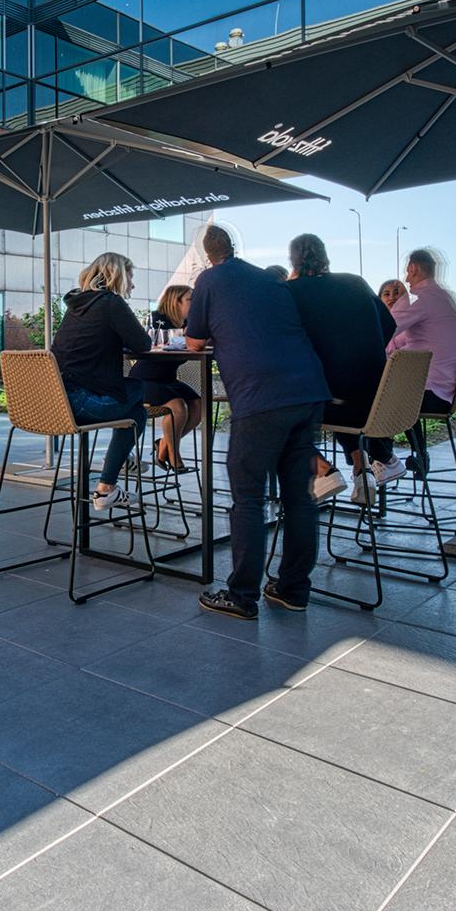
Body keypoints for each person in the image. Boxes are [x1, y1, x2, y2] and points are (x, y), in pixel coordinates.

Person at [184, 223, 331, 618]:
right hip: (308, 389)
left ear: (206, 254)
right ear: (234, 245)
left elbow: (194, 342)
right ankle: (293, 590)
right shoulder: (270, 279)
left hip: (261, 395)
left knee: (248, 495)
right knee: (299, 495)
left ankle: (242, 595)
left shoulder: (209, 280)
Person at [283, 234, 396, 507]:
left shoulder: (292, 291)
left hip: (335, 402)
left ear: (293, 261)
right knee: (338, 391)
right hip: (376, 400)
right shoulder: (355, 282)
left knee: (271, 412)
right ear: (325, 256)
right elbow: (390, 325)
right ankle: (362, 473)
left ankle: (323, 471)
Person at [50, 252, 153, 515]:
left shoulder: (77, 305)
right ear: (118, 275)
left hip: (55, 401)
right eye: (130, 276)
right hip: (83, 403)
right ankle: (111, 475)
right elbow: (143, 344)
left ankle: (114, 474)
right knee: (138, 388)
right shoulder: (110, 303)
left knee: (137, 413)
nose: (133, 284)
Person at [387, 247, 456, 481]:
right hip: (445, 391)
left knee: (373, 398)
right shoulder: (443, 298)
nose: (406, 279)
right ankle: (414, 454)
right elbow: (398, 339)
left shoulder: (421, 298)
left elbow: (383, 329)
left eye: (407, 272)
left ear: (414, 268)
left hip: (430, 393)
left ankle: (383, 460)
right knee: (390, 393)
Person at [129, 282, 205, 469]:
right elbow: (155, 342)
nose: (194, 304)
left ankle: (163, 444)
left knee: (198, 406)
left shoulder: (190, 324)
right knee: (178, 407)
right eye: (190, 299)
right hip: (145, 379)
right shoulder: (158, 319)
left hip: (168, 379)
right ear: (176, 302)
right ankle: (174, 454)